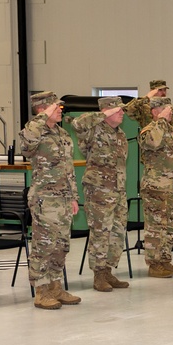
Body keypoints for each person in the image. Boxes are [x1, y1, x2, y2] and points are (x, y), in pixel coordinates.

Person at [19, 91, 81, 309]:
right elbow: (26, 148)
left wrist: (74, 196)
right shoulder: (34, 131)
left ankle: (55, 286)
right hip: (45, 197)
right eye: (56, 107)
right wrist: (41, 118)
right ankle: (41, 291)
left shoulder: (62, 134)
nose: (60, 110)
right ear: (42, 109)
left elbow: (69, 169)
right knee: (44, 246)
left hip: (64, 198)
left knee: (61, 245)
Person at [72, 96, 131, 292]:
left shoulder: (120, 134)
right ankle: (98, 275)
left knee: (117, 231)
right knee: (101, 232)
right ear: (108, 111)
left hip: (118, 189)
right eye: (118, 110)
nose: (122, 113)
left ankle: (107, 270)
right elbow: (77, 124)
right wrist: (102, 114)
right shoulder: (93, 130)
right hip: (99, 190)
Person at [139, 96, 173, 278]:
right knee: (155, 227)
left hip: (171, 187)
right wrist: (160, 121)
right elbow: (153, 143)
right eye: (166, 110)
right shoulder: (150, 130)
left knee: (170, 226)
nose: (170, 113)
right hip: (155, 187)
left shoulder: (172, 132)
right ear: (155, 112)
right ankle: (154, 264)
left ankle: (165, 260)